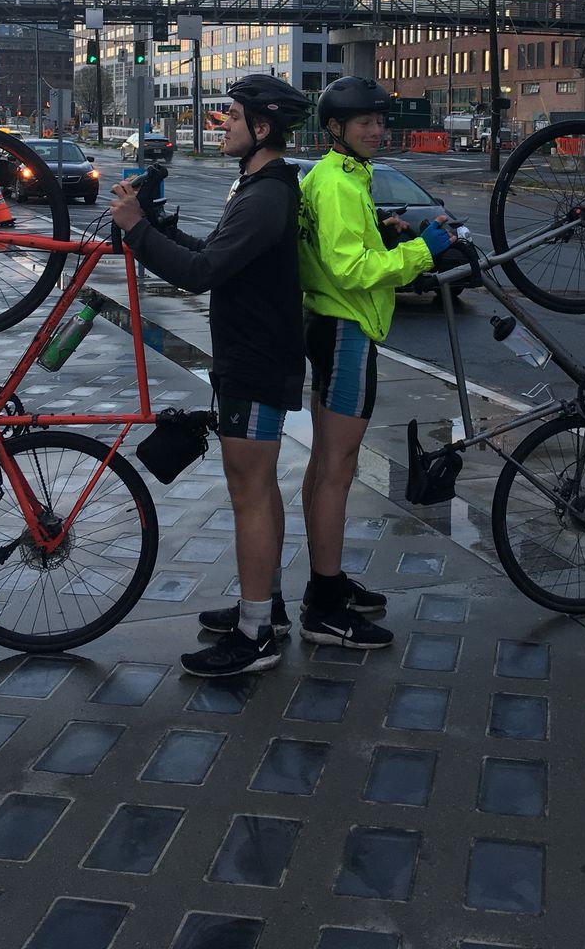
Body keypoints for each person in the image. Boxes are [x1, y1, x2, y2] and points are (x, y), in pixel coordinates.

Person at [110, 74, 310, 678]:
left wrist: (137, 231)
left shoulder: (267, 196)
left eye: (232, 114)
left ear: (262, 127)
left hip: (254, 361)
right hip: (249, 356)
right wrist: (157, 226)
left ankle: (256, 637)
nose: (222, 121)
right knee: (262, 490)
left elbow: (201, 275)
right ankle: (266, 608)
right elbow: (211, 256)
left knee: (248, 495)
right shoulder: (254, 187)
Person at [297, 76, 455, 649]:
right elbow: (350, 269)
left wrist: (390, 236)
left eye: (379, 121)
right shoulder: (339, 184)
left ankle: (327, 584)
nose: (375, 130)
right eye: (363, 122)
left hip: (329, 325)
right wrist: (421, 252)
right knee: (338, 471)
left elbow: (348, 250)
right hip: (347, 331)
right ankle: (324, 609)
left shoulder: (334, 176)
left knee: (324, 465)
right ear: (335, 128)